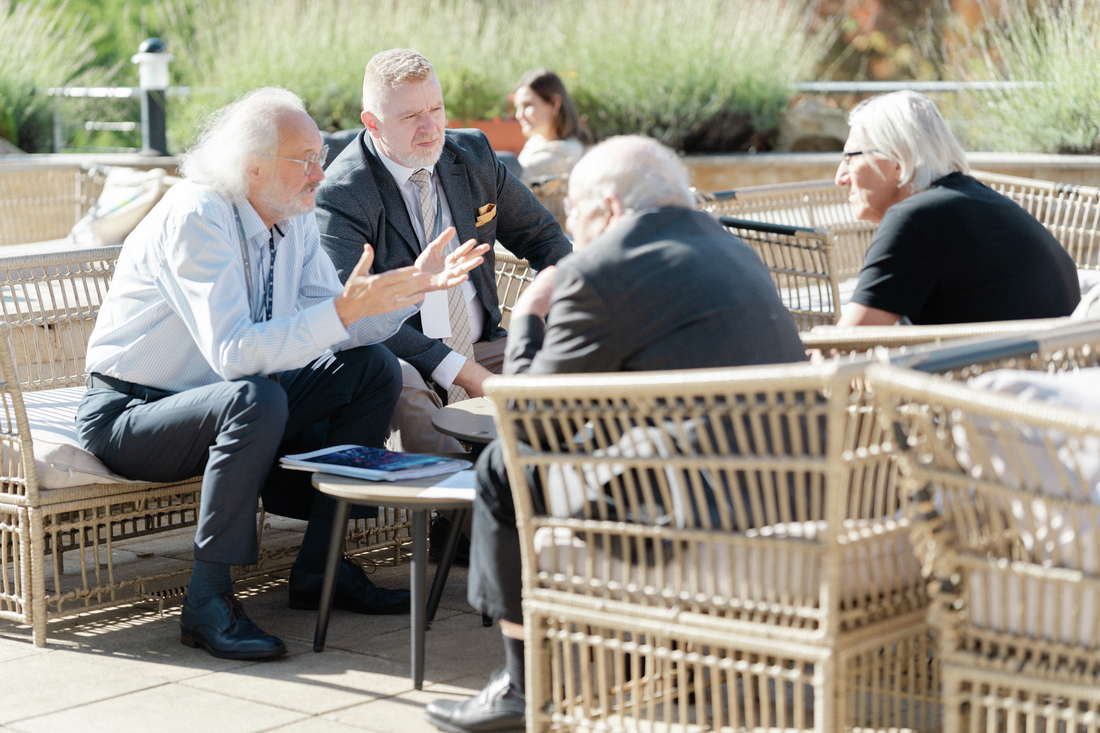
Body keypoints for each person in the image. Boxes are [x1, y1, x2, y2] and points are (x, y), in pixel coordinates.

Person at [75, 88, 487, 661]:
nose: (320, 173)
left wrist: (404, 291)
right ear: (252, 167)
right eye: (306, 160)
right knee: (256, 397)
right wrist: (344, 309)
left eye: (321, 155)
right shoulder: (199, 215)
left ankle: (324, 565)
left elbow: (337, 328)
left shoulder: (292, 220)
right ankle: (208, 601)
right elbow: (234, 354)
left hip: (223, 400)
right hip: (132, 414)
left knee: (371, 368)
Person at [423, 135, 809, 733]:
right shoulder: (731, 249)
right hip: (796, 491)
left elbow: (528, 422)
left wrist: (528, 317)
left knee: (503, 468)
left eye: (573, 211)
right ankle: (641, 657)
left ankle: (524, 688)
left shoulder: (603, 270)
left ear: (608, 207)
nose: (571, 229)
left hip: (696, 509)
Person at [316, 49, 572, 457]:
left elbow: (545, 239)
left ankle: (559, 494)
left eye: (436, 108)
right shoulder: (342, 194)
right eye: (410, 116)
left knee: (582, 366)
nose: (430, 127)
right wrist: (461, 371)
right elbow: (358, 313)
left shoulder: (471, 155)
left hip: (487, 344)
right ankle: (458, 513)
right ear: (372, 123)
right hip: (403, 355)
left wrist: (567, 310)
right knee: (396, 386)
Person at [835, 90, 1080, 326]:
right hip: (1050, 363)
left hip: (983, 366)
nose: (840, 177)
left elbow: (843, 346)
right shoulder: (978, 202)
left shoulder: (915, 220)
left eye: (850, 158)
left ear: (897, 160)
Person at [511, 68, 589, 184]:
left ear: (554, 103)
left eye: (527, 105)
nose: (519, 115)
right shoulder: (536, 142)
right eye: (517, 107)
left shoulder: (565, 154)